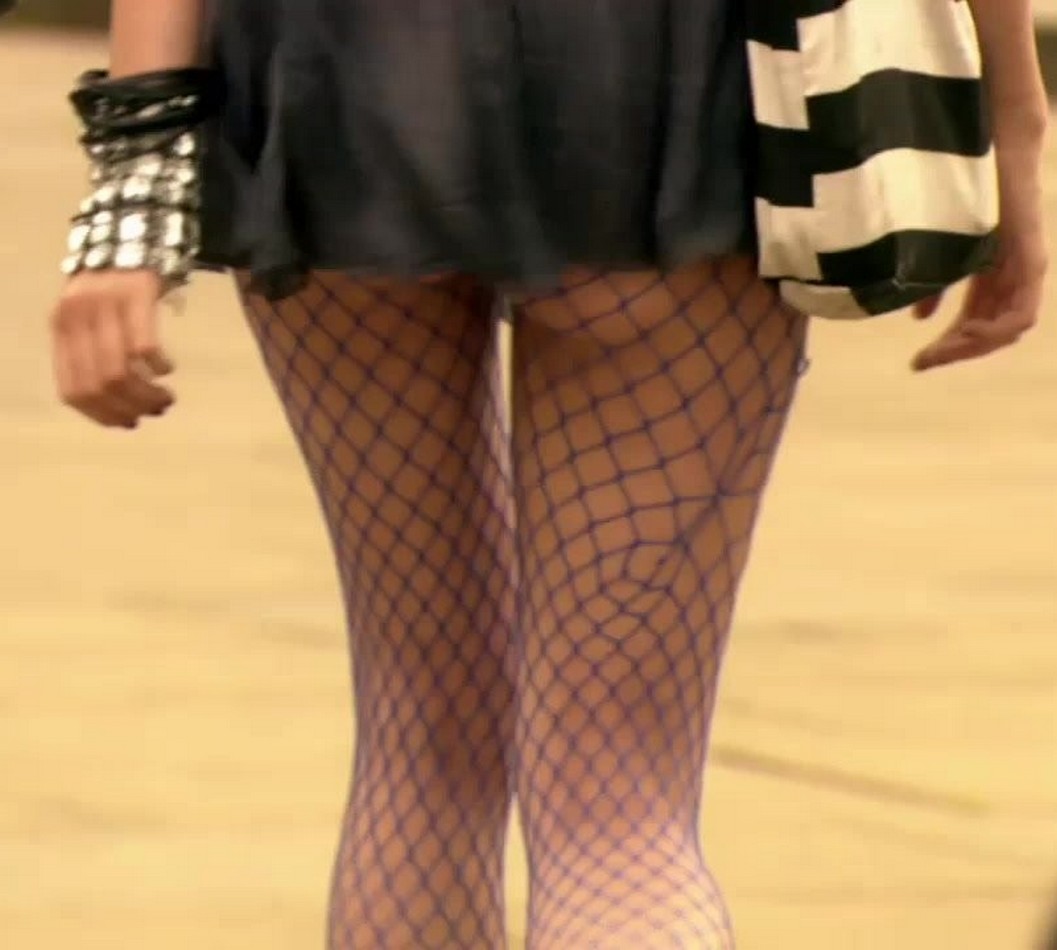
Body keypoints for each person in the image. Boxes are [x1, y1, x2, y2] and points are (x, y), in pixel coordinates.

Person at [45, 1, 1049, 947]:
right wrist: (1011, 113)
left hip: (344, 74)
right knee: (621, 810)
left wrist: (134, 175)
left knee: (416, 736)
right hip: (670, 82)